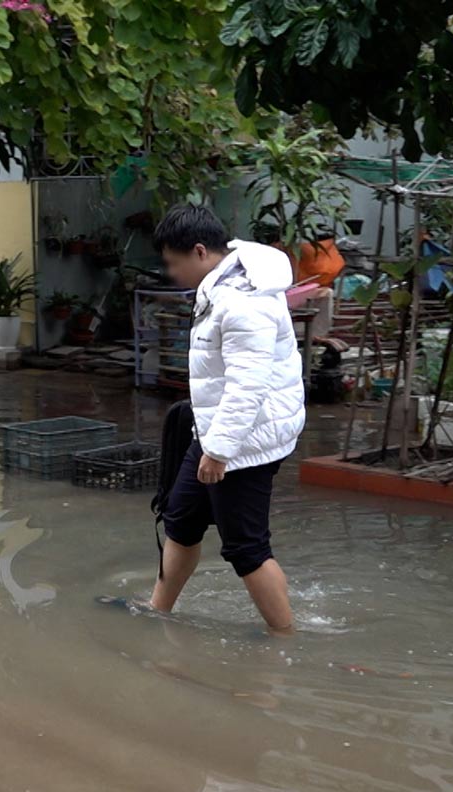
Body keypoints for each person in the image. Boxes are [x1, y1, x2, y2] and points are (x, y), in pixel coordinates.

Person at [149, 204, 305, 633]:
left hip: (246, 442)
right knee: (180, 519)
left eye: (173, 263)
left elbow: (247, 386)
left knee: (246, 547)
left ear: (200, 252)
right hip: (219, 431)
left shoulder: (241, 303)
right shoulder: (225, 284)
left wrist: (218, 452)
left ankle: (286, 639)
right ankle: (156, 611)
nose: (171, 274)